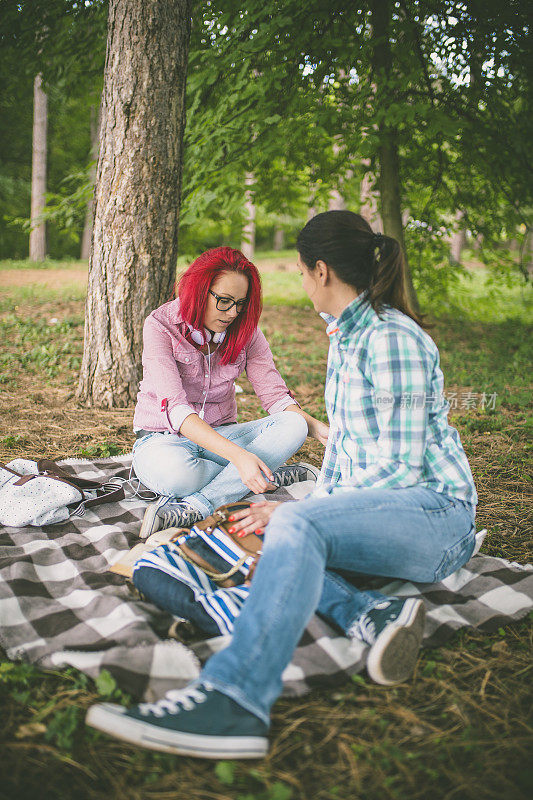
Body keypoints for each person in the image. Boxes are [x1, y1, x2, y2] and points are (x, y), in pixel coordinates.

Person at [87, 212, 478, 760]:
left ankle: (234, 699)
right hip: (180, 443)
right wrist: (308, 512)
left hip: (435, 516)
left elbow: (400, 471)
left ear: (320, 271)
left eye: (298, 272)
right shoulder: (347, 337)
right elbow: (347, 461)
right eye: (223, 300)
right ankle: (371, 614)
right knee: (284, 536)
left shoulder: (390, 339)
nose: (235, 311)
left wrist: (310, 514)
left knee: (293, 524)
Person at [131, 246, 328, 537]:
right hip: (163, 440)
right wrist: (239, 457)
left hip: (224, 435)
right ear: (199, 290)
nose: (233, 313)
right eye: (223, 301)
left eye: (240, 304)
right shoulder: (159, 326)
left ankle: (200, 505)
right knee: (177, 476)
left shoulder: (246, 331)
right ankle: (269, 474)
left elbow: (275, 396)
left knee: (294, 424)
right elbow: (177, 409)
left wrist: (317, 428)